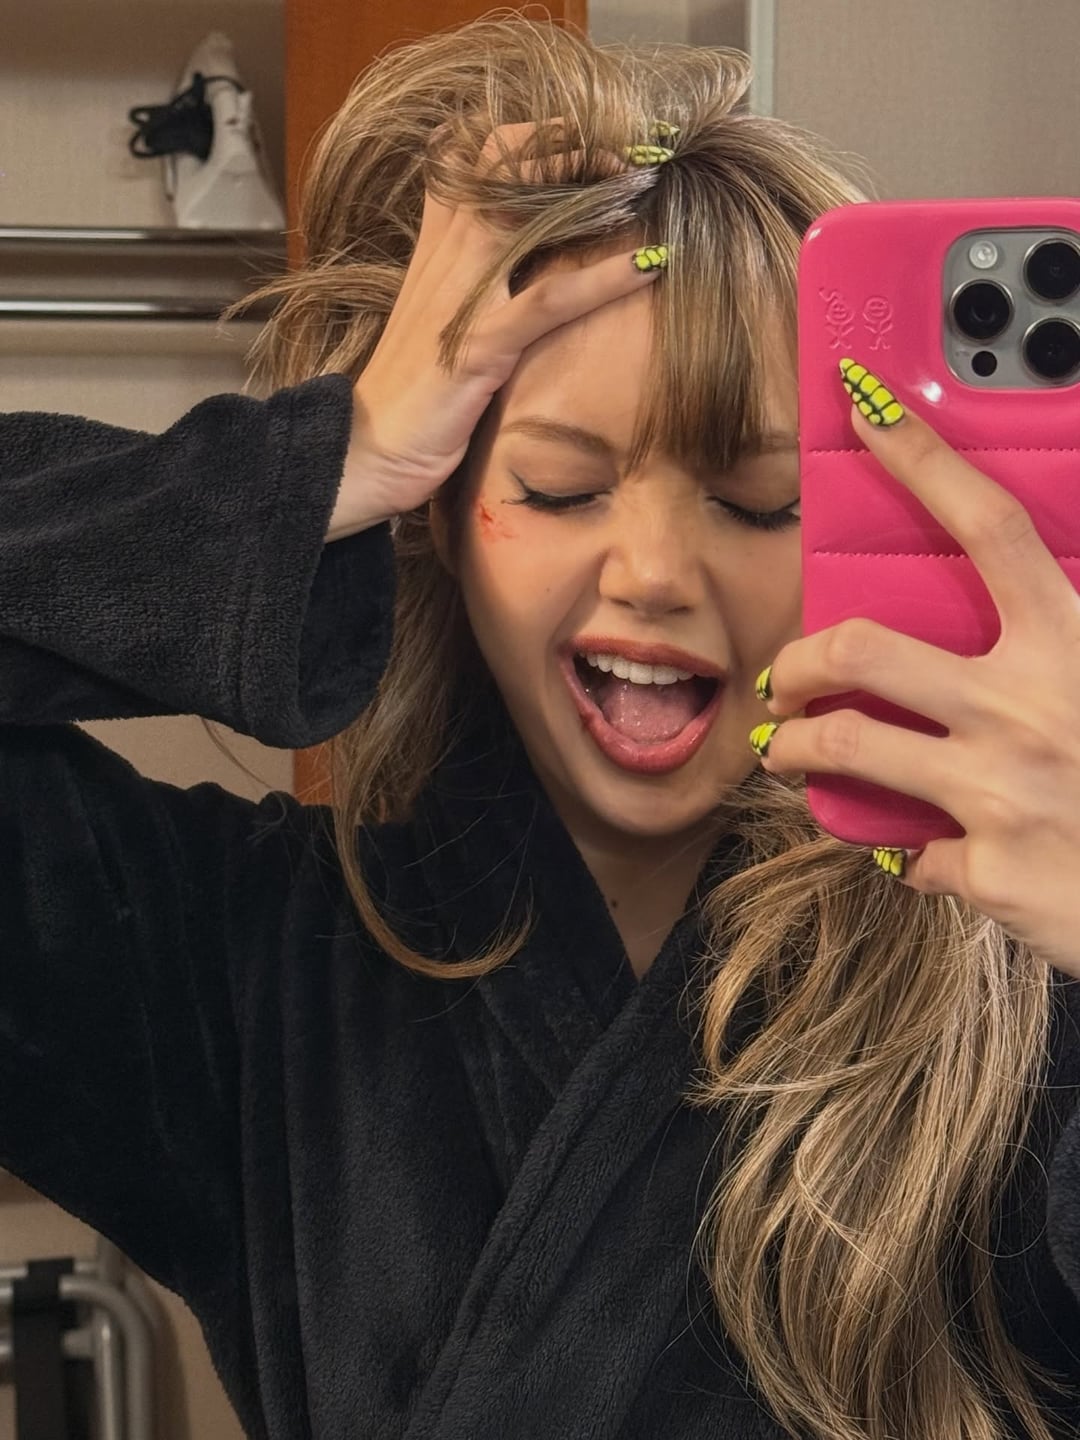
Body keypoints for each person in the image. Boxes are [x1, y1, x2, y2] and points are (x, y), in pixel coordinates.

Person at [2, 17, 1079, 1440]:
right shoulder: (240, 972)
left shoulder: (1023, 991)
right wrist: (317, 464)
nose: (655, 574)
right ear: (440, 513)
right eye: (563, 489)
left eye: (762, 504)